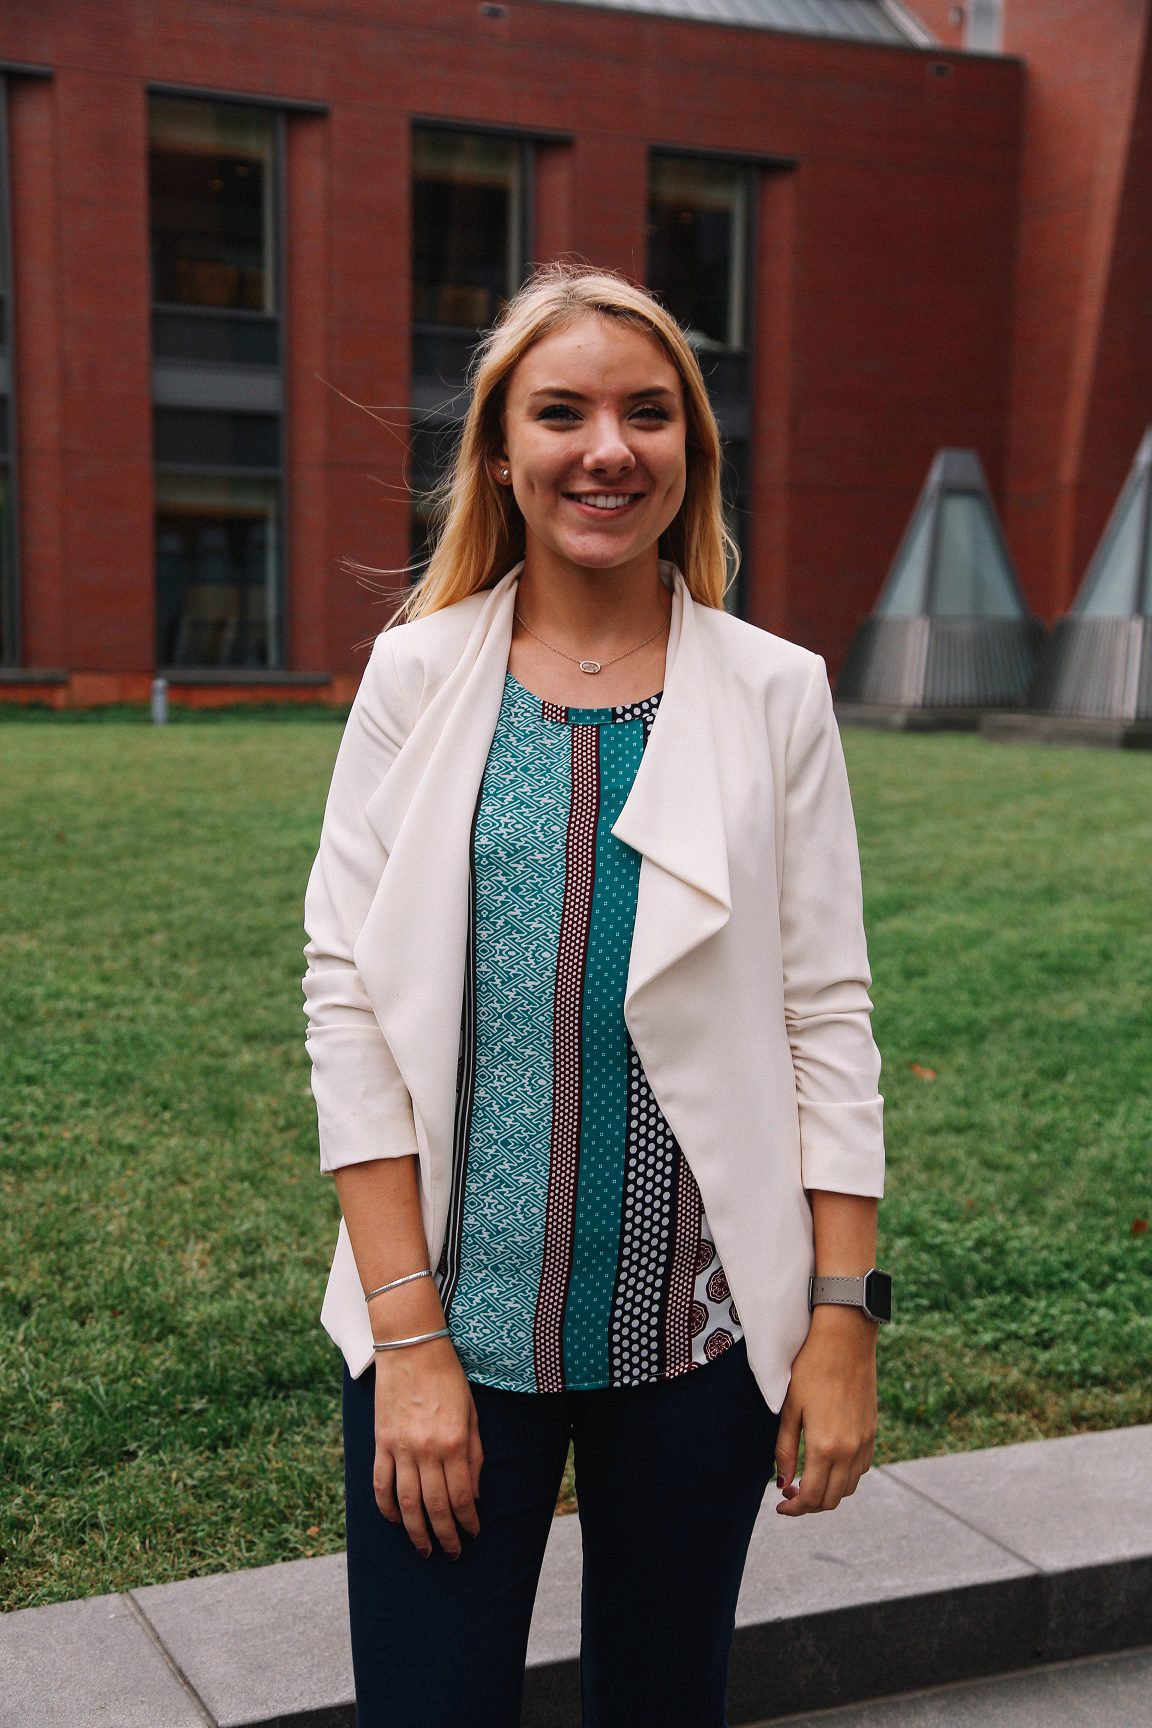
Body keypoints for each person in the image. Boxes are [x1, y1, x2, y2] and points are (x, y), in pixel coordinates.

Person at [302, 263, 887, 1728]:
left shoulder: (775, 694)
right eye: (561, 413)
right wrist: (410, 1341)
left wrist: (840, 1319)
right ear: (503, 451)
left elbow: (828, 1015)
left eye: (648, 412)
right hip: (446, 1334)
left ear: (692, 448)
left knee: (664, 1704)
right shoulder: (414, 677)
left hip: (697, 1342)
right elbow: (348, 1004)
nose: (606, 448)